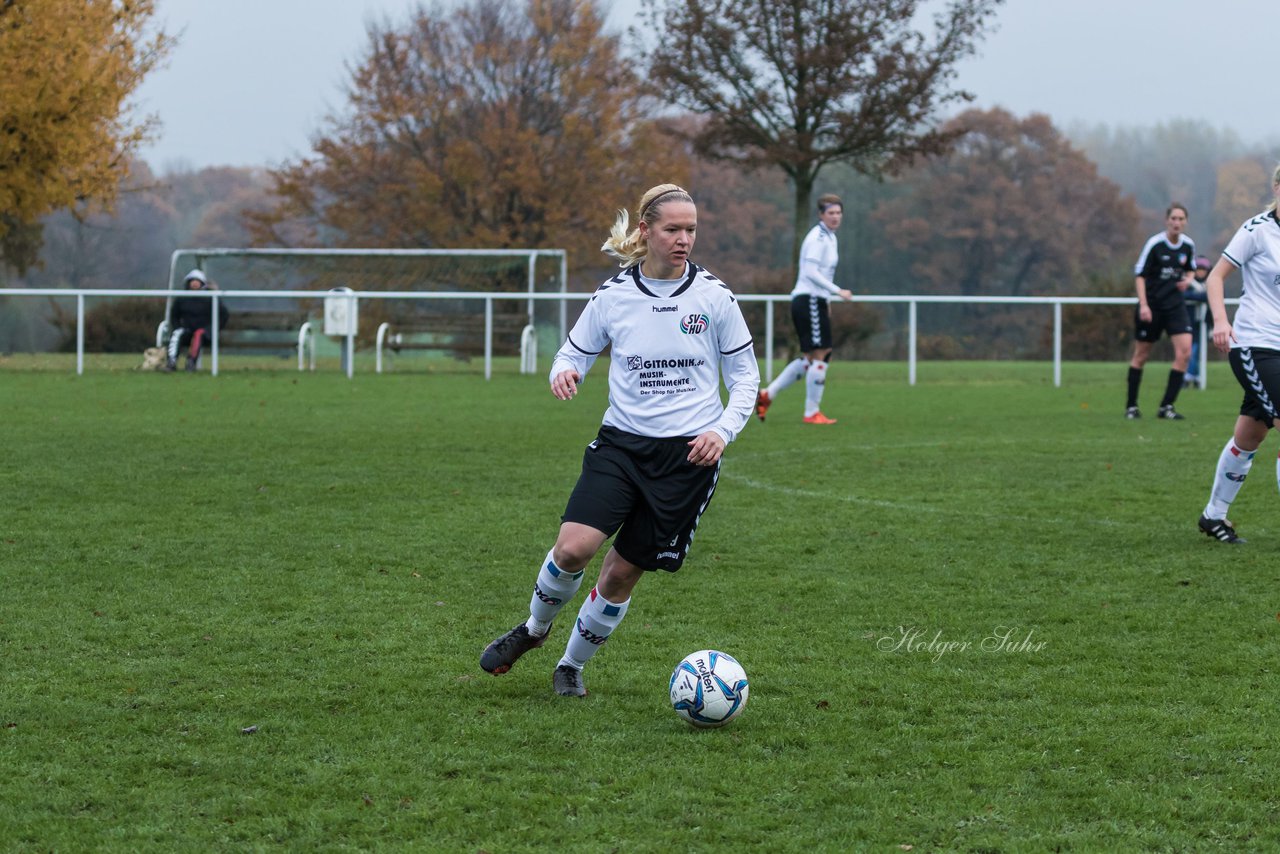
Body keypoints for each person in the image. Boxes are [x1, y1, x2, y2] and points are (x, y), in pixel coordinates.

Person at [479, 184, 759, 696]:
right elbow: (572, 353)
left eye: (691, 229)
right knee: (573, 549)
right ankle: (533, 631)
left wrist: (722, 430)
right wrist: (564, 373)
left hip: (686, 459)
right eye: (673, 229)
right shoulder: (613, 296)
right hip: (621, 447)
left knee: (619, 576)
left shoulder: (715, 297)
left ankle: (571, 666)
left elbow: (745, 377)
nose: (683, 239)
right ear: (646, 232)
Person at [1196, 165, 1280, 544]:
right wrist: (1220, 320)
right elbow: (1215, 276)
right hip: (1255, 345)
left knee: (1251, 434)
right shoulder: (1256, 230)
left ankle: (1213, 516)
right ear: (1277, 186)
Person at [754, 193, 852, 425]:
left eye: (839, 213)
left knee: (812, 358)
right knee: (822, 353)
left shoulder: (830, 237)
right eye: (831, 213)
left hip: (814, 301)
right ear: (821, 215)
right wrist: (837, 291)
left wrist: (826, 301)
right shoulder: (817, 238)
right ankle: (811, 413)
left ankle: (768, 394)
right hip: (808, 299)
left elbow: (822, 273)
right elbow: (810, 273)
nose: (836, 217)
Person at [1125, 203, 1197, 419]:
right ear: (1167, 221)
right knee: (1141, 355)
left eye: (1181, 219)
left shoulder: (1188, 246)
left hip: (1175, 306)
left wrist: (1188, 280)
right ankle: (1131, 406)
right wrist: (1144, 305)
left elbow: (1191, 269)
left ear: (1185, 222)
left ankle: (1167, 406)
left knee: (1185, 353)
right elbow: (1140, 275)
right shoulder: (1155, 245)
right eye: (1173, 218)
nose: (1177, 222)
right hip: (1153, 306)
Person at [164, 269, 228, 372]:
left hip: (205, 333)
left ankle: (191, 362)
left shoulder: (210, 297)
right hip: (187, 331)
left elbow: (223, 315)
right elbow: (174, 316)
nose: (194, 283)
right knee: (177, 333)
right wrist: (178, 327)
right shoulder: (182, 298)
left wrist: (213, 329)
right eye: (192, 281)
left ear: (202, 283)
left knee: (198, 334)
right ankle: (171, 362)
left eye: (197, 281)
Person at [1183, 256, 1211, 388]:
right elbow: (1183, 294)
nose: (1200, 272)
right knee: (1190, 351)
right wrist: (1202, 296)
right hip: (1189, 323)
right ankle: (1190, 377)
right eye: (1198, 269)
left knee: (1198, 353)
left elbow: (1210, 295)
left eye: (1203, 269)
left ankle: (1193, 377)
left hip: (1204, 324)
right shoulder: (1187, 283)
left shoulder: (1211, 283)